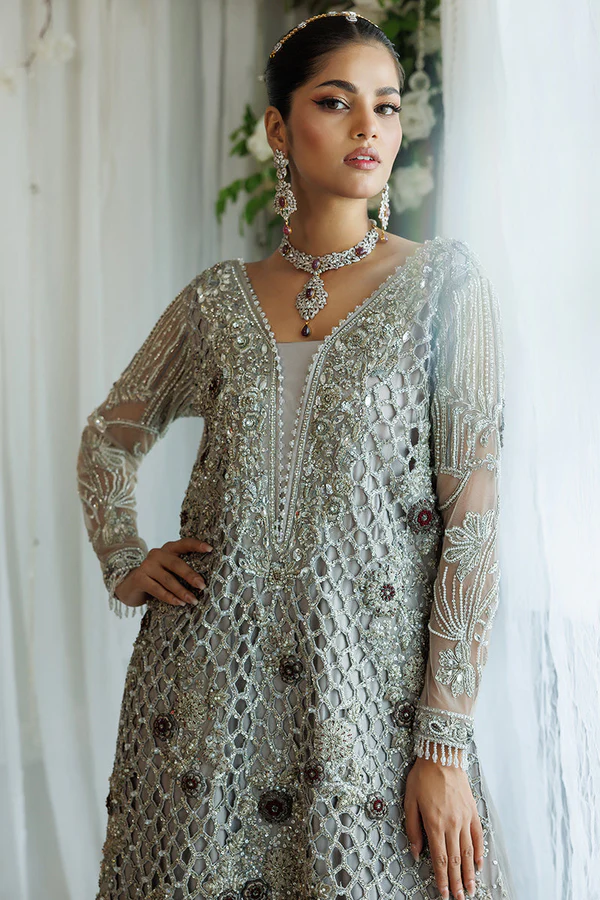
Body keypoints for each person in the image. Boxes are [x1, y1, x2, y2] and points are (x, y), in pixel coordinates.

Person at [77, 10, 515, 900]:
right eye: (336, 102)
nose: (368, 128)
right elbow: (106, 439)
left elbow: (471, 524)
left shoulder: (443, 288)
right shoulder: (216, 303)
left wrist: (442, 745)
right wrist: (124, 556)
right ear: (279, 128)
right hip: (203, 705)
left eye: (386, 106)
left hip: (365, 706)